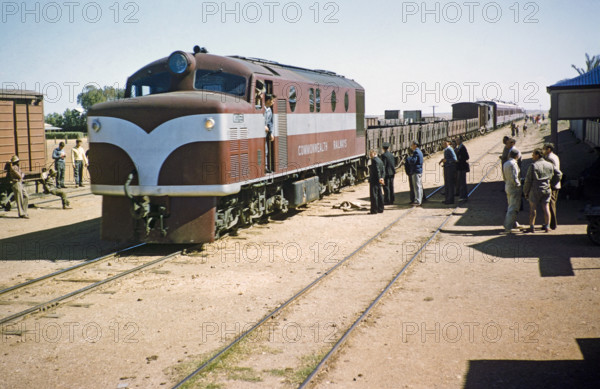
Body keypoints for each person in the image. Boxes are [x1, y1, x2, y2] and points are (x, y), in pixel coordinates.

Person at [523, 149, 562, 233]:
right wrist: (552, 183)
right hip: (547, 188)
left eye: (533, 154)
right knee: (546, 207)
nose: (532, 156)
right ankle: (547, 226)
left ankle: (532, 226)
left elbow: (528, 180)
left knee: (533, 209)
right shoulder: (549, 164)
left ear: (537, 155)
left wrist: (525, 192)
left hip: (535, 189)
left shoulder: (533, 166)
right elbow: (559, 174)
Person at [543, 143, 562, 230]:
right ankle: (550, 223)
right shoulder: (554, 156)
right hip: (555, 184)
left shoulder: (550, 158)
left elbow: (557, 173)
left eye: (544, 149)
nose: (543, 150)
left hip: (553, 185)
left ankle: (552, 224)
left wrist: (552, 184)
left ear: (549, 149)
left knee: (551, 204)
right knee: (551, 204)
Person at [503, 149, 522, 233]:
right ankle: (508, 227)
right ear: (517, 156)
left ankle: (514, 223)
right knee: (513, 207)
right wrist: (518, 185)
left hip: (507, 185)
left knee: (510, 205)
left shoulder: (506, 163)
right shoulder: (513, 164)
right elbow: (514, 177)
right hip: (513, 187)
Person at [439, 139, 457, 204]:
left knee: (449, 184)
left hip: (450, 168)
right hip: (447, 168)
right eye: (443, 142)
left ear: (449, 143)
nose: (443, 144)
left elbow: (454, 159)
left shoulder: (450, 149)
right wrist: (442, 160)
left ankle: (450, 200)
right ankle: (447, 199)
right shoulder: (446, 149)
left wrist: (447, 161)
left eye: (445, 142)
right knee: (447, 184)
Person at [406, 140, 424, 206]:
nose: (411, 146)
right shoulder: (419, 151)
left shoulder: (416, 152)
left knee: (417, 187)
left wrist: (409, 159)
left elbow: (413, 161)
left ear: (415, 145)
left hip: (416, 171)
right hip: (419, 170)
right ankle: (419, 199)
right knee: (419, 186)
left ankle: (418, 201)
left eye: (412, 145)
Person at [368, 149, 385, 214]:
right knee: (380, 194)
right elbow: (383, 169)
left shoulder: (374, 160)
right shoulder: (380, 160)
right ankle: (381, 208)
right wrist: (382, 178)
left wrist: (379, 178)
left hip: (374, 180)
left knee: (374, 195)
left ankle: (374, 210)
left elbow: (377, 170)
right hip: (378, 180)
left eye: (371, 154)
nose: (370, 155)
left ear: (374, 153)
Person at [455, 135, 470, 201]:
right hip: (460, 167)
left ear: (461, 140)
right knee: (460, 182)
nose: (456, 141)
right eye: (456, 140)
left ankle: (463, 196)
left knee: (462, 182)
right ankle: (463, 196)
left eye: (458, 140)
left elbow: (467, 157)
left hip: (462, 167)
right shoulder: (458, 147)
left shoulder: (463, 148)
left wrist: (459, 159)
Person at [264, 94, 276, 173]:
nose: (273, 103)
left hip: (265, 133)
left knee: (266, 150)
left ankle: (265, 167)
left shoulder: (269, 110)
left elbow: (270, 123)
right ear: (268, 100)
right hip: (258, 133)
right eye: (273, 101)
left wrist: (271, 133)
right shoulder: (261, 109)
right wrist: (262, 126)